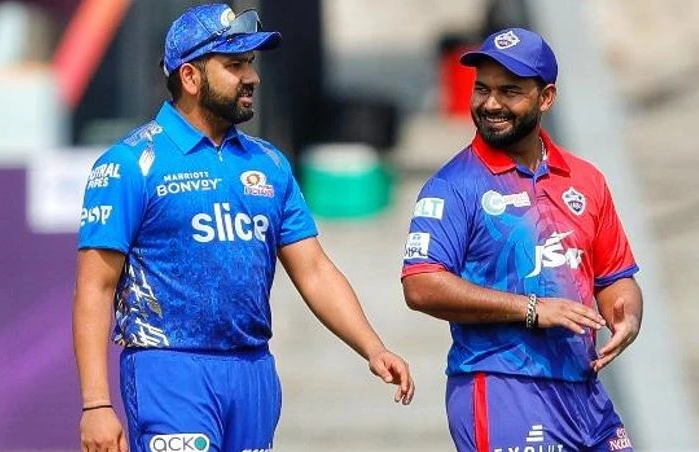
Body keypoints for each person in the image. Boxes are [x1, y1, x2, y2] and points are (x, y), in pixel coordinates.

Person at [73, 4, 414, 452]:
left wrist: (372, 347)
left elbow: (313, 270)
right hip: (171, 370)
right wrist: (96, 405)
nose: (251, 77)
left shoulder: (268, 164)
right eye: (234, 65)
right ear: (190, 77)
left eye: (250, 63)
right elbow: (94, 287)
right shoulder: (129, 164)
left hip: (253, 372)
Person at [401, 27, 641, 452]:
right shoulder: (453, 185)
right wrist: (531, 309)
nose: (491, 104)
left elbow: (616, 276)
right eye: (482, 89)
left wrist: (628, 318)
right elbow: (421, 285)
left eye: (509, 91)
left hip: (583, 392)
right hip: (502, 386)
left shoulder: (586, 180)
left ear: (546, 98)